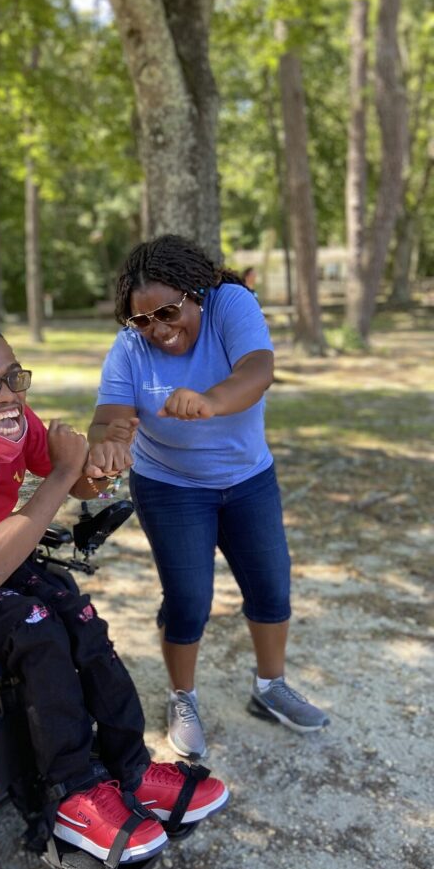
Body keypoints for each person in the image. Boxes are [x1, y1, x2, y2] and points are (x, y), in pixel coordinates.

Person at [0, 320, 229, 866]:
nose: (8, 395)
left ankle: (132, 768)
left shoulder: (12, 423)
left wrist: (100, 466)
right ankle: (74, 794)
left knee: (78, 614)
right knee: (35, 627)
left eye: (14, 377)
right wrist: (63, 474)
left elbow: (78, 481)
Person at [88, 234, 329, 761]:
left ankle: (270, 688)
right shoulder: (130, 346)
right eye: (143, 320)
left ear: (196, 294)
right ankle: (183, 698)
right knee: (188, 600)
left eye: (168, 312)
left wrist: (210, 401)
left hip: (248, 479)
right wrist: (108, 443)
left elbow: (257, 372)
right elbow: (109, 418)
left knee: (271, 587)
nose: (158, 329)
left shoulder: (230, 304)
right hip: (170, 486)